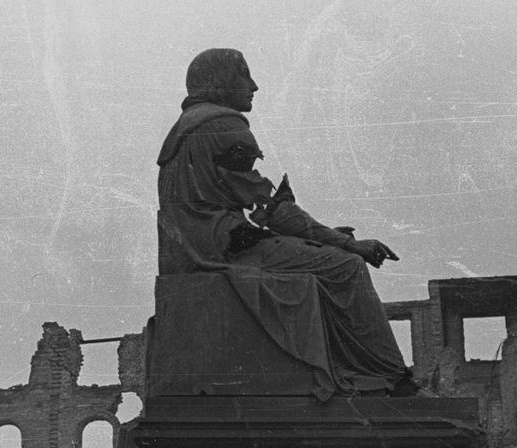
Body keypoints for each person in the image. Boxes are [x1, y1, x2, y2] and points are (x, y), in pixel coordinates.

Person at [157, 48, 416, 398]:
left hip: (201, 245)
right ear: (221, 81)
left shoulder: (183, 131)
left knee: (327, 257)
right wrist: (349, 245)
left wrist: (322, 238)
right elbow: (274, 211)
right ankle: (388, 376)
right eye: (244, 75)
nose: (254, 86)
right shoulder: (224, 125)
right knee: (347, 267)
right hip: (224, 249)